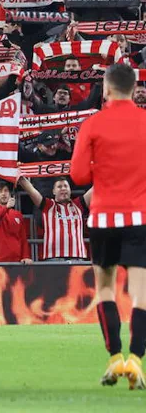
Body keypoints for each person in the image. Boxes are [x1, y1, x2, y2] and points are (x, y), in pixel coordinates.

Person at [70, 63, 146, 387]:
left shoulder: (93, 124)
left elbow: (78, 176)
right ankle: (137, 361)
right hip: (141, 218)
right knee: (141, 293)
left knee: (105, 289)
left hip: (103, 218)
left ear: (106, 88)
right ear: (133, 88)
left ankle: (115, 358)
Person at [17, 176, 92, 261]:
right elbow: (31, 190)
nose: (63, 188)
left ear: (70, 190)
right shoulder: (48, 205)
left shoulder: (79, 204)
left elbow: (96, 188)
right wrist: (19, 174)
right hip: (53, 258)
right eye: (59, 187)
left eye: (66, 186)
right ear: (53, 191)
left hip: (77, 258)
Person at [0, 181, 31, 264]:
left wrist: (26, 256)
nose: (3, 194)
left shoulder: (18, 215)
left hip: (17, 261)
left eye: (6, 191)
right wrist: (6, 208)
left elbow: (23, 238)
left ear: (10, 194)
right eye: (0, 191)